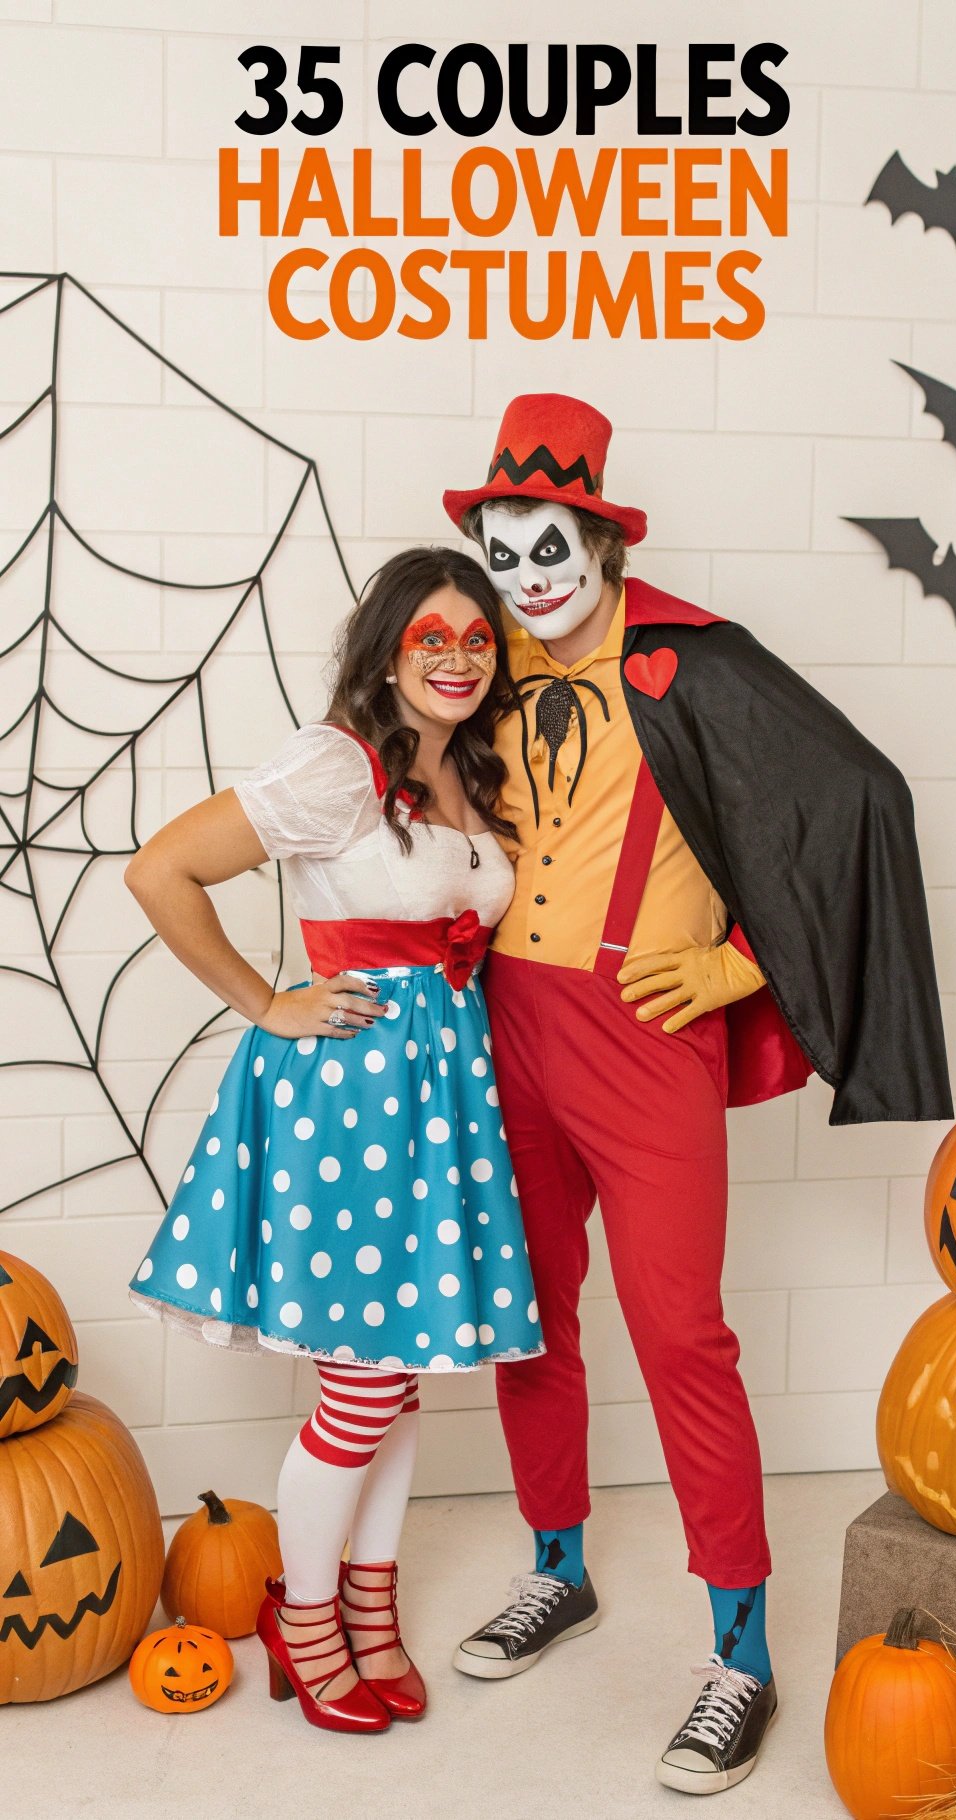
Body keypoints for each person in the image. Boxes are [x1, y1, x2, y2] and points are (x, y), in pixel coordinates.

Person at [441, 394, 953, 1795]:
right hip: (508, 1033)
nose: (529, 574)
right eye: (503, 548)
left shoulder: (694, 667)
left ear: (599, 539)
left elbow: (857, 797)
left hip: (641, 1033)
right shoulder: (478, 666)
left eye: (550, 544)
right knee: (530, 1321)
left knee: (681, 1335)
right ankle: (559, 1569)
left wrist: (740, 965)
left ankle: (741, 1654)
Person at [125, 546, 542, 1734]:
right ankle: (304, 1618)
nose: (458, 656)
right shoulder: (335, 767)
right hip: (347, 1105)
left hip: (437, 1104)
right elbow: (160, 870)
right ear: (388, 648)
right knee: (362, 1388)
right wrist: (268, 1001)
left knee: (397, 1380)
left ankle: (369, 1602)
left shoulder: (467, 769)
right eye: (432, 637)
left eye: (477, 636)